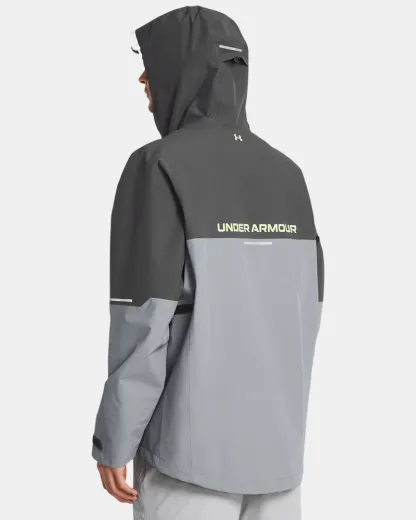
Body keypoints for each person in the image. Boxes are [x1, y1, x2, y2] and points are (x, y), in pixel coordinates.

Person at [92, 6, 324, 520]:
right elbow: (304, 320)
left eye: (153, 63)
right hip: (280, 463)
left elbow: (143, 321)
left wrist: (115, 438)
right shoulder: (290, 175)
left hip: (188, 466)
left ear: (185, 69)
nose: (143, 78)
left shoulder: (157, 165)